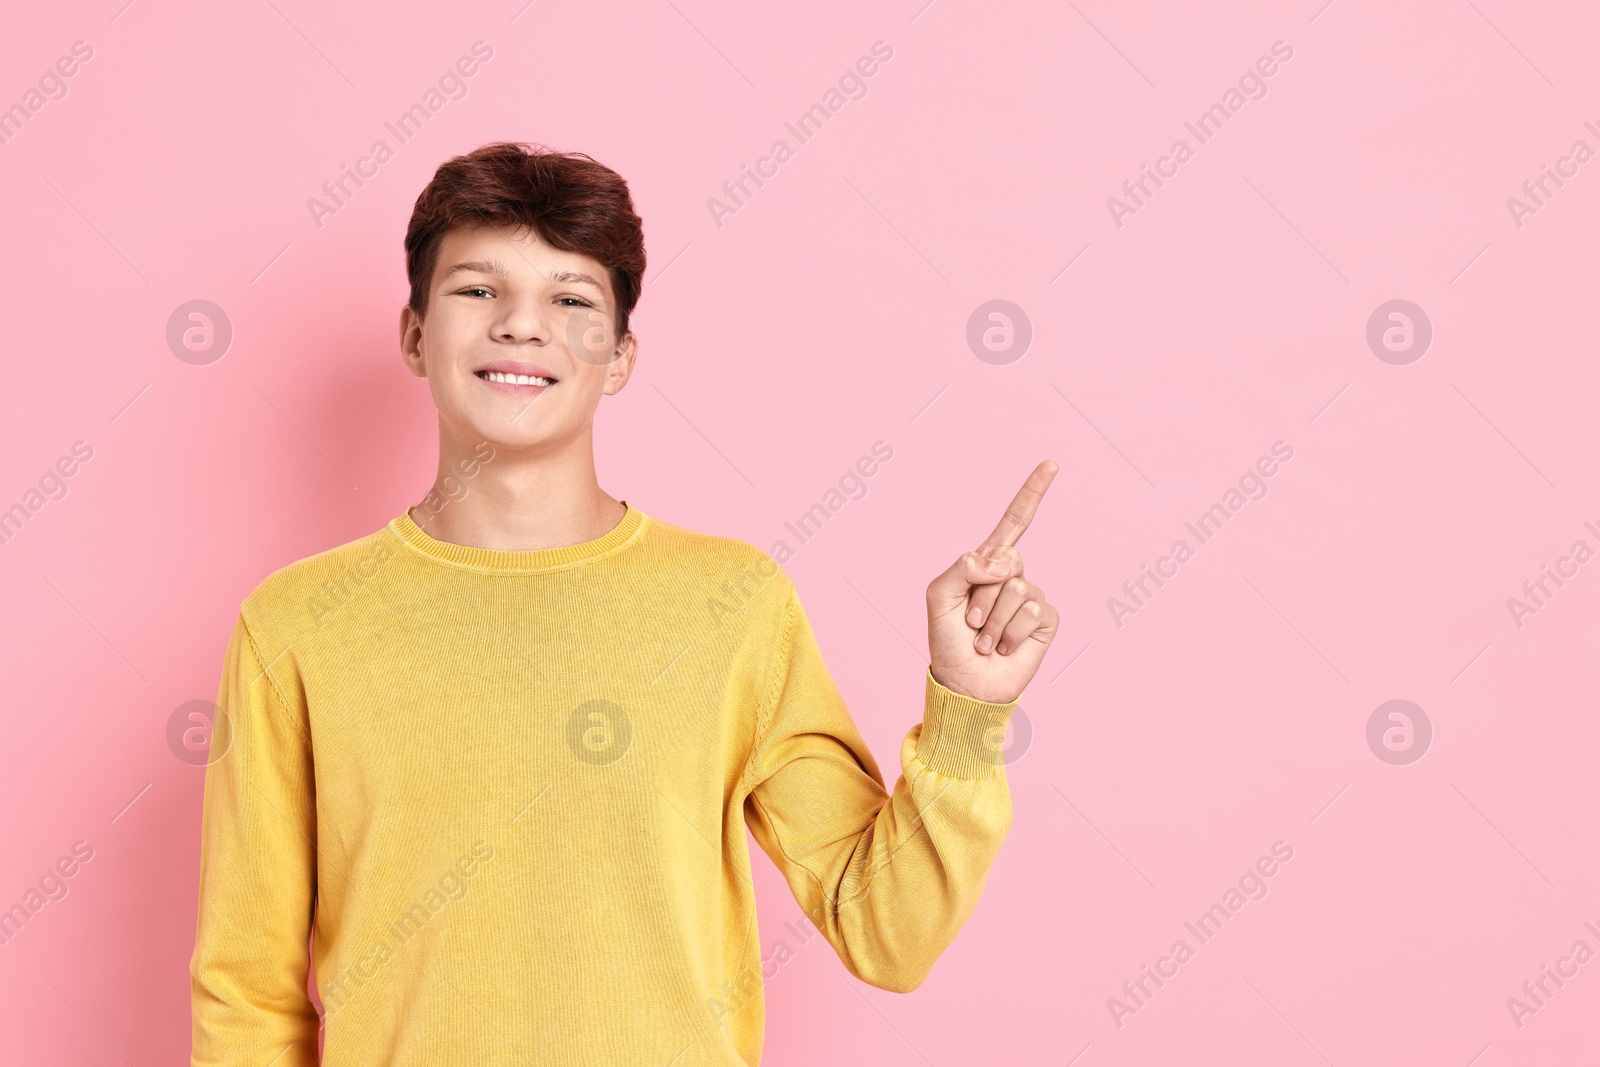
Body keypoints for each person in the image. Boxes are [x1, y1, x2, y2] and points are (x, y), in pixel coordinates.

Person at [188, 141, 1060, 1066]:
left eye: (571, 300)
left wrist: (969, 712)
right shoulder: (294, 624)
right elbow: (247, 993)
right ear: (413, 335)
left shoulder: (732, 604)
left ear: (619, 357)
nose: (524, 327)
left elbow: (886, 930)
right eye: (479, 290)